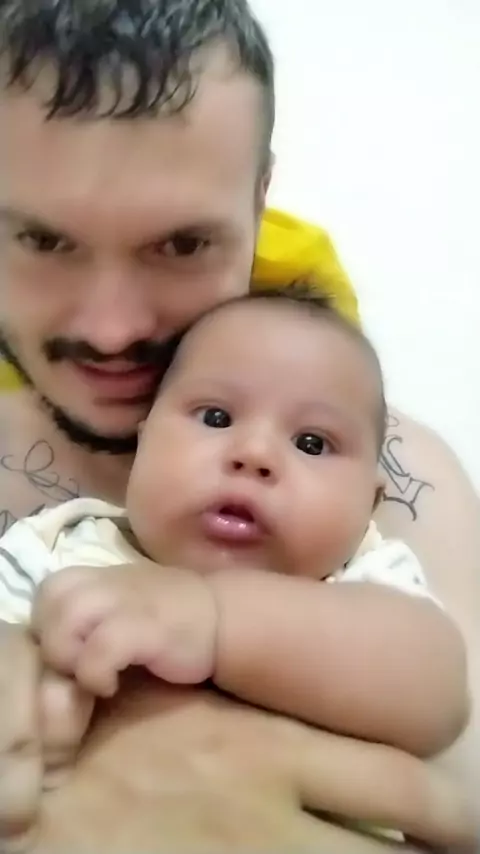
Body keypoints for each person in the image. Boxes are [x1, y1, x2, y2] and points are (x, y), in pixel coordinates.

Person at [0, 1, 478, 852]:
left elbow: (457, 758)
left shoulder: (391, 476)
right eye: (43, 240)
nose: (112, 328)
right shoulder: (46, 535)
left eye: (182, 245)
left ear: (259, 200)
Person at [0, 287, 469, 759]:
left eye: (311, 443)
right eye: (216, 417)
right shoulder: (54, 547)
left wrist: (214, 621)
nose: (254, 453)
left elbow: (439, 697)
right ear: (142, 446)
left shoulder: (366, 582)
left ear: (369, 503)